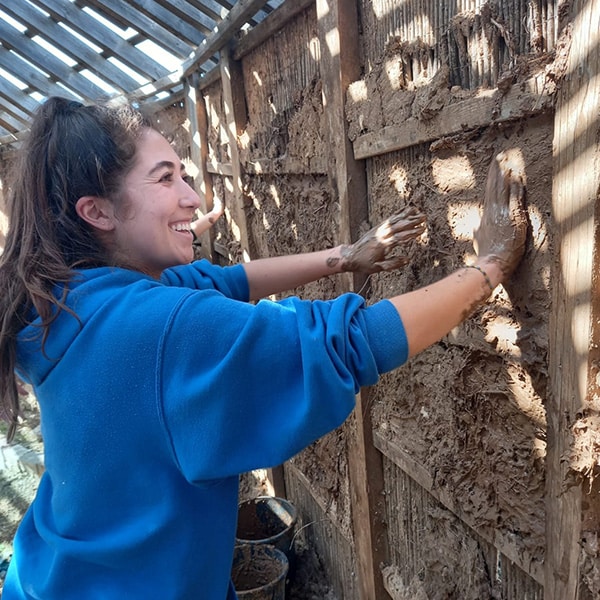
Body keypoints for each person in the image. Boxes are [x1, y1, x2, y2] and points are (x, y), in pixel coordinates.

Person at [0, 96, 527, 599]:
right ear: (98, 212)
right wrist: (490, 267)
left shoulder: (70, 300)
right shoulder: (151, 332)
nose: (192, 197)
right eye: (166, 179)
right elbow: (348, 343)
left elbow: (219, 282)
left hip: (56, 573)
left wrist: (346, 256)